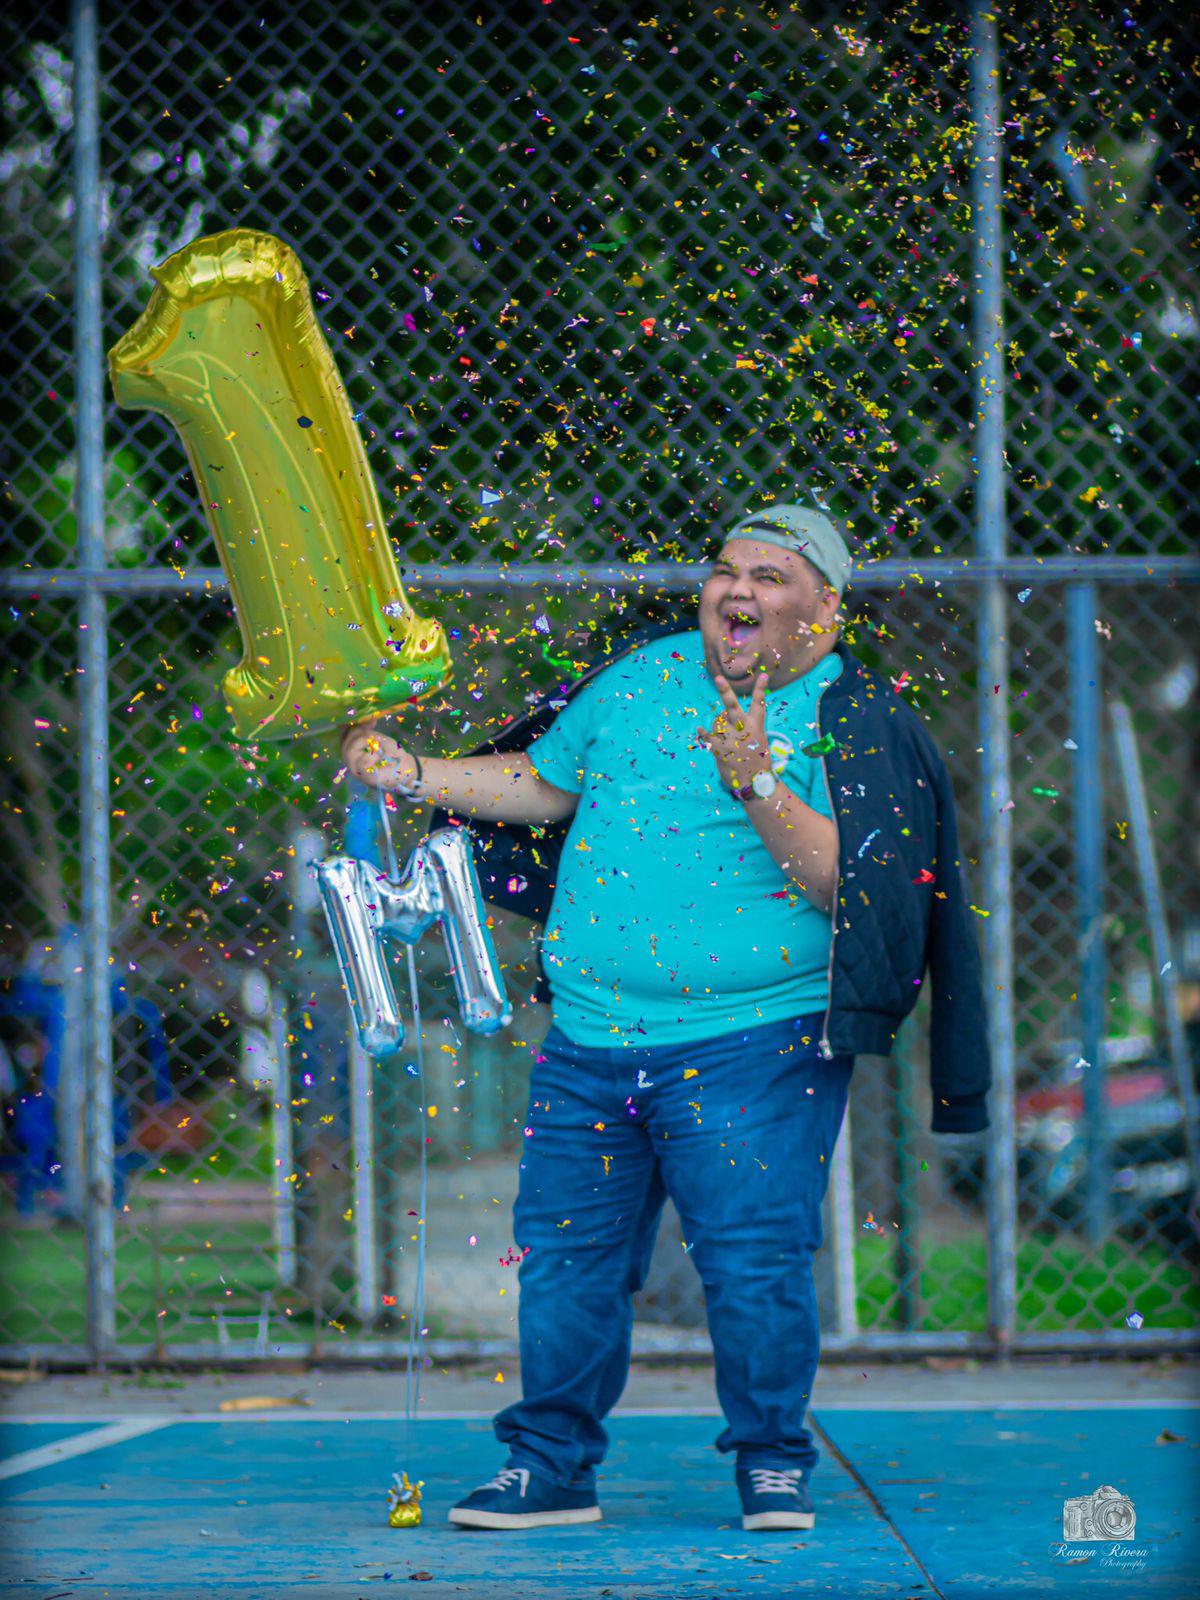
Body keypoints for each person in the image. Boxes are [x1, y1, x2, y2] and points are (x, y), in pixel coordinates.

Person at [340, 502, 992, 1533]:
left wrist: (756, 780)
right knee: (565, 1262)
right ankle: (550, 1465)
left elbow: (851, 888)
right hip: (588, 1039)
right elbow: (542, 783)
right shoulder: (639, 677)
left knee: (752, 1262)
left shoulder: (855, 715)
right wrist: (411, 772)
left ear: (825, 607)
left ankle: (772, 1461)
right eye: (728, 570)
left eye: (771, 577)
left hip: (756, 1042)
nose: (739, 590)